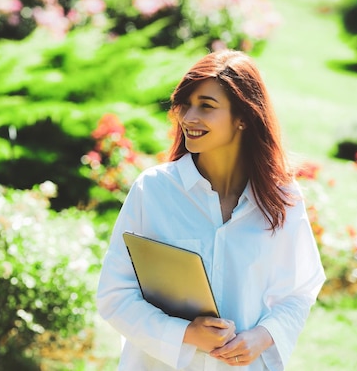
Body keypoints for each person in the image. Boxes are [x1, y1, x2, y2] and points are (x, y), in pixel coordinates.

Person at [96, 49, 326, 370]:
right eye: (186, 105)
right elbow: (114, 294)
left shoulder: (281, 197)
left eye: (206, 106)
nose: (189, 118)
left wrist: (262, 336)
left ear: (244, 117)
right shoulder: (153, 191)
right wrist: (185, 334)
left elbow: (300, 290)